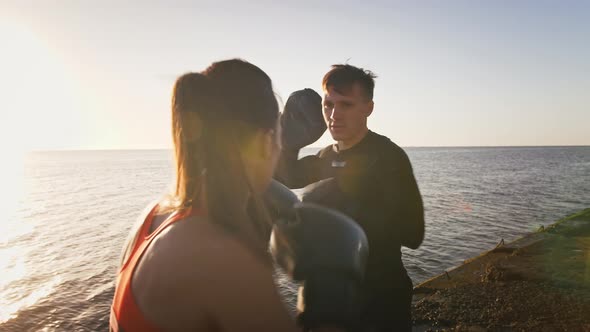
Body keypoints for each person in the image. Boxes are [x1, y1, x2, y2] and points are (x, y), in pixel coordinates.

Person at [110, 59, 366, 332]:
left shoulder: (154, 214)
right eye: (279, 138)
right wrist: (328, 297)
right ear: (264, 142)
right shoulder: (225, 260)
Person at [275, 64, 425, 331]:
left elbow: (414, 235)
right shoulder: (326, 157)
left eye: (345, 105)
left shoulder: (389, 158)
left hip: (382, 300)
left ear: (368, 108)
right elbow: (283, 177)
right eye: (328, 104)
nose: (334, 115)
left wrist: (355, 207)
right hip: (330, 299)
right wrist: (288, 142)